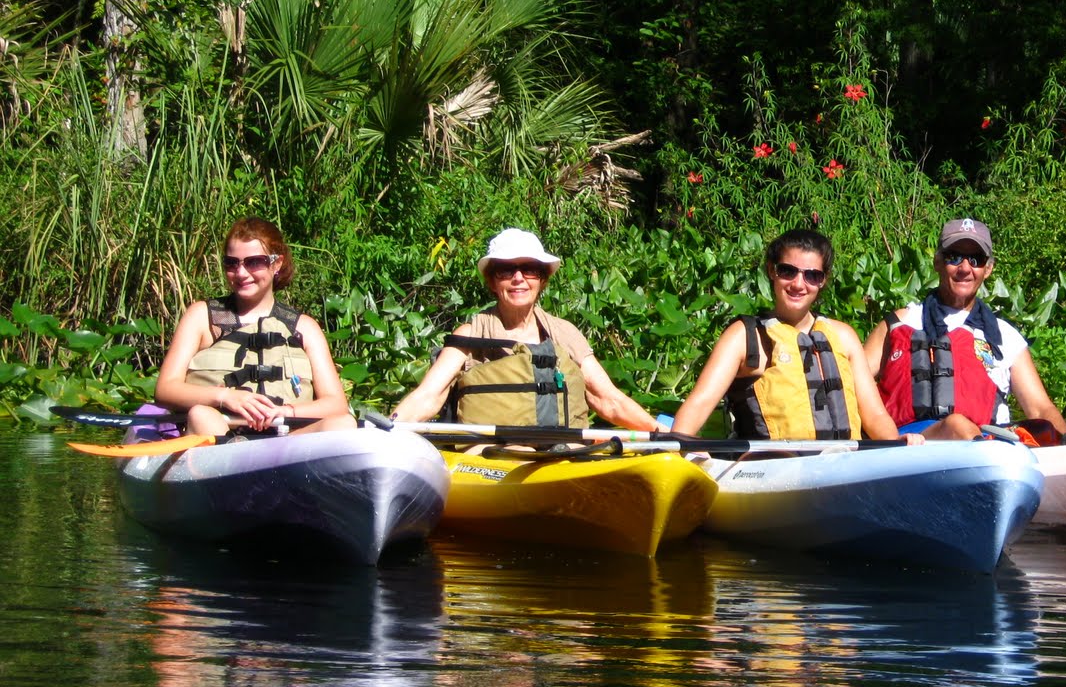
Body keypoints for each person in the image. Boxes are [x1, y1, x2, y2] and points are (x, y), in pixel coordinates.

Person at [393, 228, 657, 431]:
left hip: (561, 452)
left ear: (542, 280)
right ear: (492, 282)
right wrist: (386, 428)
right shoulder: (470, 335)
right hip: (490, 455)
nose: (518, 278)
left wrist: (661, 432)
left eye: (529, 269)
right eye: (506, 270)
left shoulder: (564, 334)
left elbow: (608, 400)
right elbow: (428, 396)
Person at [672, 228, 919, 443]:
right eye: (788, 271)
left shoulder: (843, 336)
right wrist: (683, 448)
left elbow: (874, 415)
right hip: (772, 468)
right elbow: (700, 403)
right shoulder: (744, 337)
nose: (799, 284)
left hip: (844, 463)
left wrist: (895, 443)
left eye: (812, 275)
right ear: (771, 271)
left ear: (823, 281)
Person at [864, 217, 1066, 442]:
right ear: (937, 262)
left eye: (975, 260)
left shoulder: (1006, 336)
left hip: (986, 442)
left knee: (1045, 430)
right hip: (912, 445)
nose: (965, 268)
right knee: (956, 424)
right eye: (954, 257)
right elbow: (852, 386)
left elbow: (1040, 408)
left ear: (988, 269)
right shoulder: (899, 324)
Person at [154, 217, 355, 437]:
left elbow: (336, 404)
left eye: (254, 262)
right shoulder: (202, 317)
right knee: (201, 415)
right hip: (220, 430)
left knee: (343, 423)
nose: (241, 273)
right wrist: (225, 397)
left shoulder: (304, 328)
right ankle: (231, 456)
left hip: (285, 439)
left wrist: (285, 411)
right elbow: (166, 389)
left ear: (276, 264)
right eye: (232, 263)